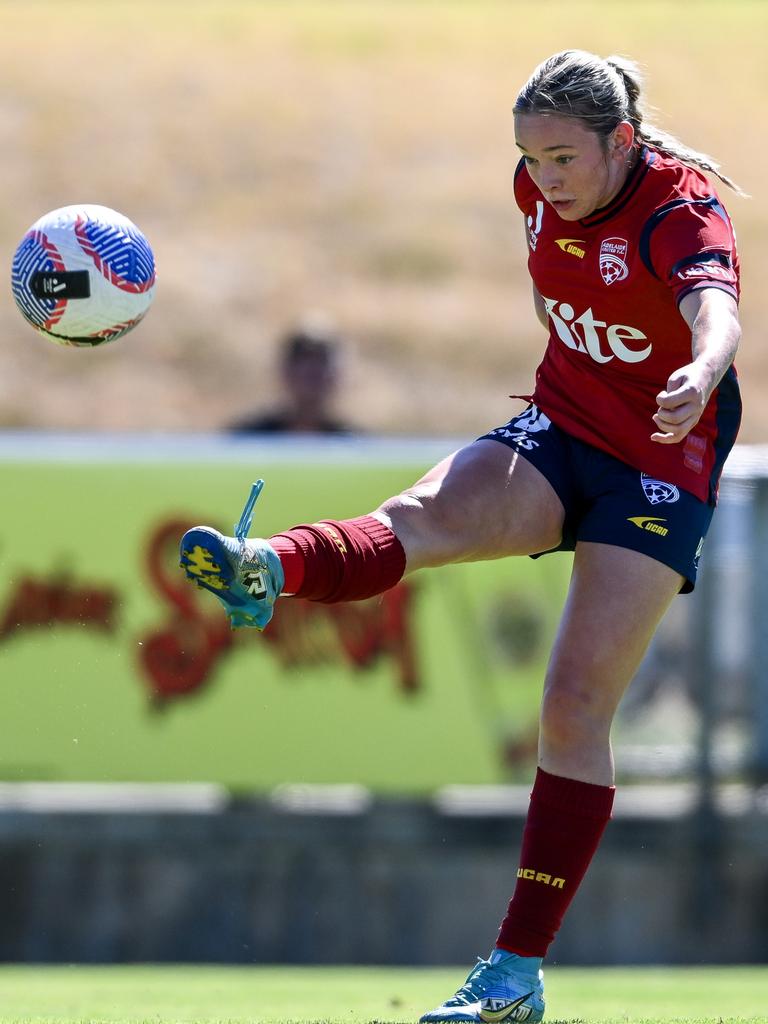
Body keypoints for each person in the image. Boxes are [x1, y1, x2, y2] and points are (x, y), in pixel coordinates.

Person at [180, 50, 742, 1022]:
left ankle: (514, 974)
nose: (546, 177)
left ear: (619, 143)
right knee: (420, 518)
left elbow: (718, 308)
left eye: (565, 157)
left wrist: (699, 370)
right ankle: (266, 567)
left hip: (660, 462)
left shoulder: (675, 207)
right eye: (530, 156)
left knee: (571, 707)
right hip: (566, 426)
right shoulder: (533, 188)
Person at [229, 317, 355, 434]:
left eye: (322, 361)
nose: (311, 370)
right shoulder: (245, 441)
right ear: (283, 370)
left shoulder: (358, 448)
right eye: (301, 360)